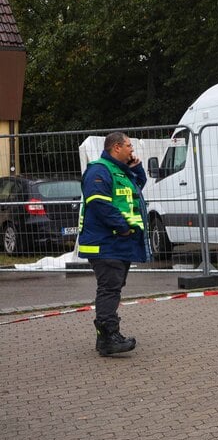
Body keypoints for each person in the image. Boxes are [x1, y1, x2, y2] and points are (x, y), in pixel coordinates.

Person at [78, 131, 150, 356]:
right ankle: (108, 338)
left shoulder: (119, 170)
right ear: (116, 147)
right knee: (109, 289)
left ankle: (109, 336)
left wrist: (136, 167)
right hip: (106, 242)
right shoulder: (99, 170)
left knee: (113, 288)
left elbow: (137, 187)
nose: (132, 150)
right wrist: (123, 227)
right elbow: (100, 204)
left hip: (117, 243)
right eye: (129, 146)